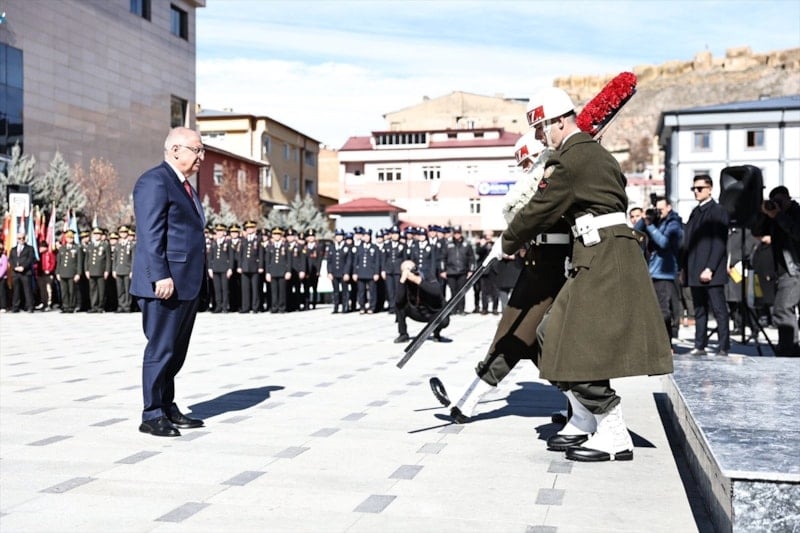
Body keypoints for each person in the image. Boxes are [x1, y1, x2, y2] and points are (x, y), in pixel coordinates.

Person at [488, 87, 672, 462]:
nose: (540, 136)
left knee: (570, 338)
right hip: (596, 252)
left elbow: (540, 208)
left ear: (559, 122)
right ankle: (586, 417)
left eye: (541, 128)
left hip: (603, 256)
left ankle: (612, 429)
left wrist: (506, 241)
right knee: (547, 333)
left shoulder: (571, 159)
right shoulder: (591, 153)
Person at [431, 131, 573, 428]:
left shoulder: (555, 178)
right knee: (522, 339)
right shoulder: (538, 182)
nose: (524, 170)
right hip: (537, 261)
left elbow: (540, 216)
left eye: (527, 163)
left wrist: (511, 238)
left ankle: (469, 398)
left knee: (518, 334)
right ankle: (581, 405)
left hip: (553, 265)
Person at [131, 126, 207, 437]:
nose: (201, 156)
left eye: (202, 150)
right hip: (164, 283)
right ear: (175, 150)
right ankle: (151, 414)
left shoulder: (184, 186)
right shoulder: (155, 181)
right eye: (196, 150)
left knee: (176, 351)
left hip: (185, 283)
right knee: (161, 349)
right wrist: (160, 274)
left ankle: (166, 404)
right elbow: (150, 234)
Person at [682, 174, 731, 356]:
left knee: (719, 309)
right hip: (694, 268)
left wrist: (710, 268)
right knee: (699, 309)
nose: (696, 191)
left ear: (710, 189)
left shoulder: (718, 211)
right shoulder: (695, 212)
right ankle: (700, 345)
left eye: (700, 188)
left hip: (711, 271)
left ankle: (724, 346)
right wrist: (684, 269)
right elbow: (688, 242)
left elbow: (719, 243)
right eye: (694, 189)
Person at [751, 185, 800, 356]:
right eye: (774, 201)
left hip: (794, 268)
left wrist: (778, 215)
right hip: (783, 270)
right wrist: (763, 213)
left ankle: (788, 349)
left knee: (782, 308)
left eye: (780, 201)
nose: (777, 204)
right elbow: (756, 231)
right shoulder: (773, 216)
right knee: (784, 308)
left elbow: (797, 233)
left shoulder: (796, 213)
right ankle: (791, 348)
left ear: (788, 199)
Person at [635, 196, 683, 345]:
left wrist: (650, 226)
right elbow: (636, 232)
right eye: (657, 209)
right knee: (652, 310)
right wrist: (645, 218)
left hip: (664, 272)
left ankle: (666, 343)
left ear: (669, 207)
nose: (659, 212)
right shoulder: (656, 221)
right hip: (651, 270)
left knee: (663, 310)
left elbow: (664, 243)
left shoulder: (674, 223)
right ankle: (656, 342)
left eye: (661, 209)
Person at [394, 259, 450, 343]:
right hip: (417, 311)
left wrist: (417, 280)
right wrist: (402, 280)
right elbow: (398, 300)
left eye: (411, 269)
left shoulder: (426, 274)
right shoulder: (404, 279)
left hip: (432, 311)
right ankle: (403, 334)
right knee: (399, 306)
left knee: (444, 321)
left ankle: (436, 332)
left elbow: (437, 292)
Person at [440, 225, 476, 316]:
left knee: (461, 291)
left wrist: (471, 270)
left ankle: (461, 309)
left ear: (461, 233)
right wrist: (443, 270)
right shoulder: (448, 244)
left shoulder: (467, 244)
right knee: (453, 291)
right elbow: (442, 258)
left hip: (462, 271)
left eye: (458, 233)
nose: (457, 235)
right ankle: (453, 309)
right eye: (455, 233)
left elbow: (471, 258)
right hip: (451, 271)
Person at [207, 223, 234, 313]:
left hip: (224, 268)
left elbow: (231, 256)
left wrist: (230, 268)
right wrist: (210, 268)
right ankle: (218, 306)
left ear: (224, 232)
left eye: (221, 231)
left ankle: (225, 306)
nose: (219, 233)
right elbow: (210, 257)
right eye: (218, 231)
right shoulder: (213, 243)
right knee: (217, 289)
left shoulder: (228, 242)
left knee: (225, 288)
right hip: (215, 268)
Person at [56, 230, 83, 313]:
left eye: (71, 238)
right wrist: (57, 272)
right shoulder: (62, 248)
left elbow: (79, 262)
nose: (70, 239)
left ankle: (71, 306)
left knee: (72, 291)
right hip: (63, 272)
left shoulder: (77, 248)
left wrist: (78, 273)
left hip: (72, 273)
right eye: (68, 238)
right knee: (64, 291)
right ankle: (65, 306)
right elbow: (59, 262)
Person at [84, 227, 110, 313]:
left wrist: (107, 270)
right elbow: (87, 259)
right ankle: (94, 306)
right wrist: (86, 270)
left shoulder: (105, 245)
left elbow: (108, 259)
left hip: (101, 271)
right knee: (93, 290)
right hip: (91, 271)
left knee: (101, 290)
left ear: (101, 235)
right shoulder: (90, 245)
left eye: (98, 234)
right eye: (95, 234)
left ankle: (100, 306)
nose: (96, 236)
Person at [326, 229, 352, 313]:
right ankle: (336, 307)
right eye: (337, 236)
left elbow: (348, 261)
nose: (339, 237)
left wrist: (346, 273)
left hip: (343, 273)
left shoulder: (347, 247)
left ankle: (345, 307)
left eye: (340, 236)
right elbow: (329, 261)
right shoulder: (331, 247)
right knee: (335, 291)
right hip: (334, 273)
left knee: (345, 291)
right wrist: (329, 272)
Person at [9, 231, 35, 313]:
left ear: (25, 238)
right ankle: (15, 307)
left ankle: (30, 306)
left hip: (25, 273)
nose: (21, 240)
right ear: (17, 239)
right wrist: (15, 267)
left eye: (23, 238)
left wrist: (23, 267)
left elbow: (30, 259)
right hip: (16, 273)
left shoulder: (30, 248)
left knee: (27, 291)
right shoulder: (13, 249)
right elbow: (11, 259)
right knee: (16, 291)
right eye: (19, 238)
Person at [113, 225, 135, 312]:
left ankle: (127, 306)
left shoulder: (131, 245)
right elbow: (115, 259)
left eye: (125, 232)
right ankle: (121, 305)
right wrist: (114, 269)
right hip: (119, 269)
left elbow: (133, 259)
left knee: (127, 289)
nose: (123, 234)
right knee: (120, 289)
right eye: (121, 232)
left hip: (127, 270)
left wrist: (132, 271)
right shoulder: (118, 245)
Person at [0, 244, 9, 312]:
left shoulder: (4, 257)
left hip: (2, 278)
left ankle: (3, 306)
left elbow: (4, 268)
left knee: (2, 292)